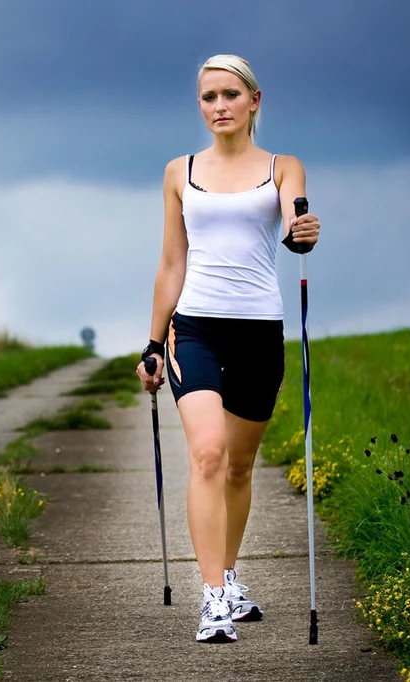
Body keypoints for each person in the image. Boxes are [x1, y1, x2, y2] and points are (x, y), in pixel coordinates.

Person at [136, 54, 321, 644]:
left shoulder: (282, 166)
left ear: (254, 101)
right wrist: (151, 341)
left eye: (230, 95)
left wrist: (304, 234)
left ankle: (231, 578)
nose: (219, 106)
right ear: (201, 105)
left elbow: (297, 227)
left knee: (239, 467)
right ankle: (213, 598)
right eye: (209, 97)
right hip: (193, 328)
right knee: (209, 455)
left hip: (259, 330)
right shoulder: (179, 171)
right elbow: (172, 262)